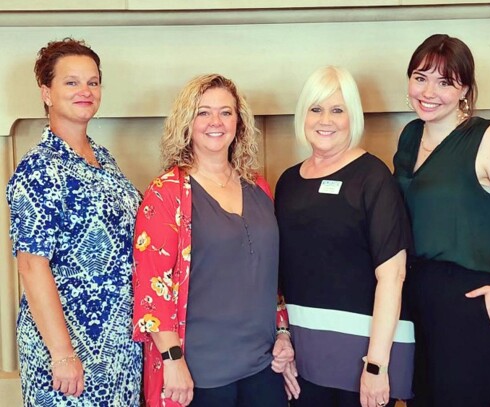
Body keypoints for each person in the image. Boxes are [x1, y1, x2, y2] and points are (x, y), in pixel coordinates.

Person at [393, 33, 490, 407]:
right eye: (420, 77)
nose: (429, 91)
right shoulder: (410, 136)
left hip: (472, 307)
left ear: (465, 90)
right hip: (418, 304)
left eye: (445, 82)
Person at [132, 73, 294, 407]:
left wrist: (283, 333)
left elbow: (271, 274)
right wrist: (173, 360)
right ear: (187, 123)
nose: (215, 122)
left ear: (239, 121)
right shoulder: (167, 193)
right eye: (203, 112)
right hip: (199, 373)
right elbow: (151, 286)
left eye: (225, 112)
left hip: (263, 366)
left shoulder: (258, 187)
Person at [6, 38, 142, 405]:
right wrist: (63, 354)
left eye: (92, 82)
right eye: (71, 82)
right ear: (46, 92)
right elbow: (32, 266)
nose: (85, 90)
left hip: (117, 345)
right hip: (68, 349)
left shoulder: (103, 158)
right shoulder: (39, 168)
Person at [275, 65, 415, 407]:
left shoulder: (373, 177)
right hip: (303, 354)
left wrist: (377, 365)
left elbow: (393, 276)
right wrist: (283, 338)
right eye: (316, 109)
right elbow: (281, 274)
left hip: (363, 356)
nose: (326, 120)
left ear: (353, 116)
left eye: (338, 109)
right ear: (303, 115)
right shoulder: (288, 182)